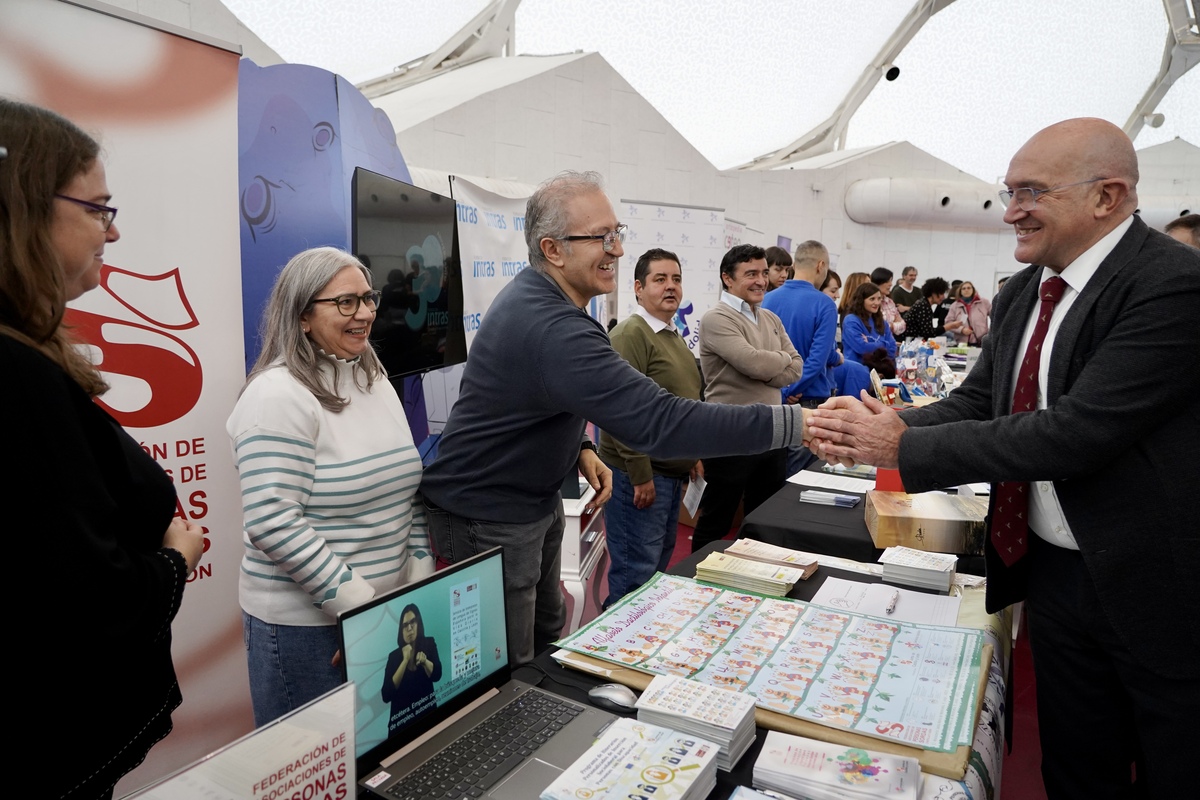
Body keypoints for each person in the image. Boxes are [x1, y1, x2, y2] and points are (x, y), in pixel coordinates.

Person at [808, 118, 1200, 800]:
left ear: (1106, 197)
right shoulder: (1024, 290)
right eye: (1008, 190)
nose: (1010, 209)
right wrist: (890, 422)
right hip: (1050, 575)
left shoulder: (1172, 285)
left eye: (1031, 192)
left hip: (1154, 585)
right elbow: (983, 403)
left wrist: (901, 445)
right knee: (1077, 760)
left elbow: (1074, 434)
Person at [419, 172, 814, 665]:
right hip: (489, 517)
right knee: (505, 669)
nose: (618, 250)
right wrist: (800, 425)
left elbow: (530, 398)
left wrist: (580, 448)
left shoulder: (548, 303)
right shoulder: (552, 325)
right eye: (602, 238)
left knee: (540, 641)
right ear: (553, 249)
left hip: (523, 506)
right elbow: (662, 423)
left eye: (617, 233)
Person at [1, 99, 206, 799]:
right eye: (98, 209)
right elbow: (92, 602)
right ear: (25, 208)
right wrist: (177, 558)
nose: (112, 234)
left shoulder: (30, 359)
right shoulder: (17, 379)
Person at [227, 246, 431, 726]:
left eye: (368, 298)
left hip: (383, 619)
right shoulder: (275, 396)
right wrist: (366, 616)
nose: (364, 313)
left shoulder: (373, 377)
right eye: (345, 302)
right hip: (309, 632)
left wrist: (413, 596)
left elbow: (409, 494)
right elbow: (272, 522)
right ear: (300, 316)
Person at [598, 249, 703, 606]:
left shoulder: (672, 335)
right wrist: (640, 473)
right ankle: (612, 656)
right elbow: (620, 409)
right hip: (640, 478)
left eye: (676, 279)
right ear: (639, 288)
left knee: (655, 576)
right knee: (635, 581)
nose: (671, 287)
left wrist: (692, 455)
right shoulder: (631, 333)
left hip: (669, 476)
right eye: (660, 279)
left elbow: (683, 403)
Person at [692, 244, 803, 551]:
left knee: (763, 518)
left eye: (764, 273)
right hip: (731, 433)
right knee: (718, 518)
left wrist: (767, 364)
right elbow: (753, 362)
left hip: (773, 431)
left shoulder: (770, 318)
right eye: (751, 273)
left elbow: (796, 369)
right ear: (727, 279)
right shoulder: (717, 318)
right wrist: (775, 361)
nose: (761, 280)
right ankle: (697, 584)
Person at [761, 240, 841, 474]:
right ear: (821, 265)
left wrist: (781, 393)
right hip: (809, 401)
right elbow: (817, 361)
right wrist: (790, 390)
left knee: (771, 476)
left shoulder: (768, 299)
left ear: (794, 264)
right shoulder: (825, 304)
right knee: (797, 482)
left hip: (773, 399)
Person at [381, 603, 443, 732]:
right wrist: (404, 661)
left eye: (413, 622)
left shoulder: (429, 644)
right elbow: (386, 695)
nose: (409, 628)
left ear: (418, 624)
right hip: (402, 725)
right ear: (401, 630)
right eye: (405, 625)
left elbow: (437, 675)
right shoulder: (394, 657)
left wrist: (425, 661)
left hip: (428, 718)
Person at [840, 283, 896, 365]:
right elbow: (862, 348)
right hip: (857, 370)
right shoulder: (851, 321)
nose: (876, 303)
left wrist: (870, 343)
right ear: (861, 300)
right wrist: (884, 344)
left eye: (879, 298)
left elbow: (893, 348)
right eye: (872, 299)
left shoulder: (882, 322)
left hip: (880, 370)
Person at [870, 267, 906, 337]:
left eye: (891, 281)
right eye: (887, 281)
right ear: (878, 282)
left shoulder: (889, 302)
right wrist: (893, 325)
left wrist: (891, 326)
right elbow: (877, 327)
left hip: (889, 342)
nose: (890, 284)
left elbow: (903, 325)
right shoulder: (870, 303)